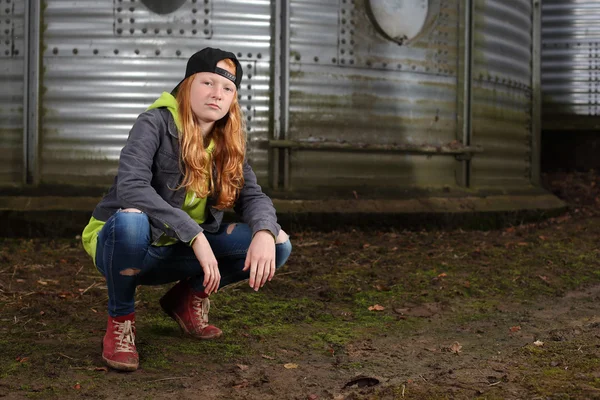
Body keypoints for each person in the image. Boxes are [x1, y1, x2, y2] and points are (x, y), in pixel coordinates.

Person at [81, 47, 292, 372]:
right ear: (187, 85)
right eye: (208, 83)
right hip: (129, 244)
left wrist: (265, 230)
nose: (216, 94)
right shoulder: (154, 122)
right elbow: (131, 188)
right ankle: (120, 320)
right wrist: (194, 234)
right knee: (131, 219)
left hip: (180, 249)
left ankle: (186, 298)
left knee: (279, 243)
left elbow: (253, 196)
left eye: (227, 89)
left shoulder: (226, 142)